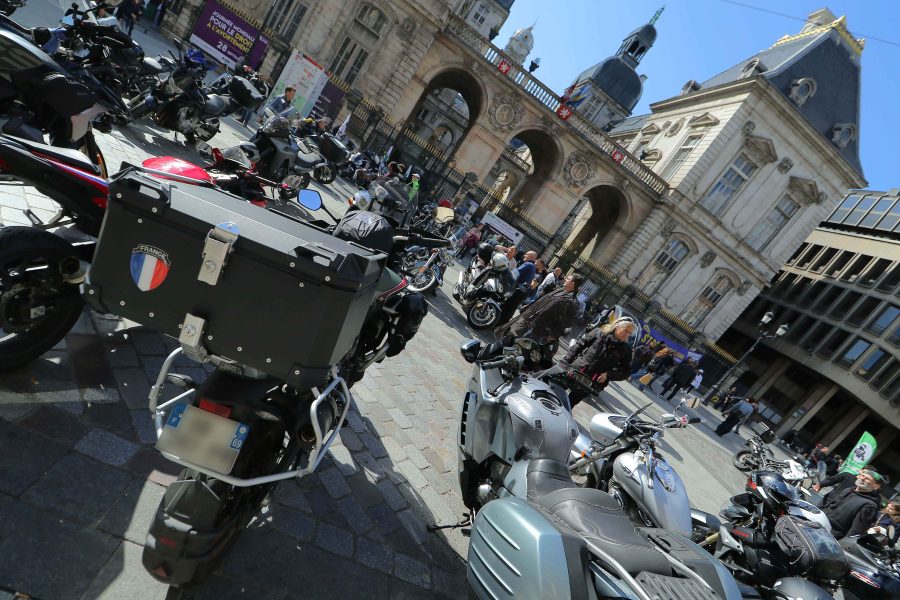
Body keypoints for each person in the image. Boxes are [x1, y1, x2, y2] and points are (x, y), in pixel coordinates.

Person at [562, 316, 636, 407]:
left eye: (630, 333)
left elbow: (626, 372)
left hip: (592, 382)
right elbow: (579, 346)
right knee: (555, 392)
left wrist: (608, 374)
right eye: (626, 330)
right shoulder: (598, 333)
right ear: (617, 326)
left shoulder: (626, 350)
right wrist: (565, 361)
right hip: (575, 370)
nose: (627, 334)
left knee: (568, 405)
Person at [495, 274, 582, 347]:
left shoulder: (571, 302)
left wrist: (554, 335)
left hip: (540, 330)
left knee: (519, 346)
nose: (565, 279)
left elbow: (567, 322)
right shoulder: (560, 290)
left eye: (568, 279)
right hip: (531, 320)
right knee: (510, 338)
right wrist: (530, 306)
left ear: (572, 284)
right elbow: (543, 301)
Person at [820, 469, 884, 539]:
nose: (862, 478)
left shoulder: (869, 506)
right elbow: (829, 507)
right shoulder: (848, 490)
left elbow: (856, 532)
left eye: (867, 479)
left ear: (876, 486)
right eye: (862, 476)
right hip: (817, 525)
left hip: (828, 536)